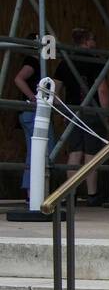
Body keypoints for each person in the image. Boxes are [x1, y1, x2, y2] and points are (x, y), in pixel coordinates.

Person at [53, 27, 109, 206]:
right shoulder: (95, 61)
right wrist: (105, 113)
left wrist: (64, 110)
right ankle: (92, 195)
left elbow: (54, 92)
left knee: (75, 152)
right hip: (91, 111)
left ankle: (70, 193)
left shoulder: (65, 62)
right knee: (91, 153)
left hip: (72, 111)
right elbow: (102, 89)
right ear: (86, 41)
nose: (95, 43)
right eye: (93, 39)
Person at [12, 34, 42, 205]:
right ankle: (34, 192)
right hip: (32, 112)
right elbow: (18, 78)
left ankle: (32, 192)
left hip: (27, 112)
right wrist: (33, 97)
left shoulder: (31, 61)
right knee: (41, 151)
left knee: (34, 152)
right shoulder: (33, 62)